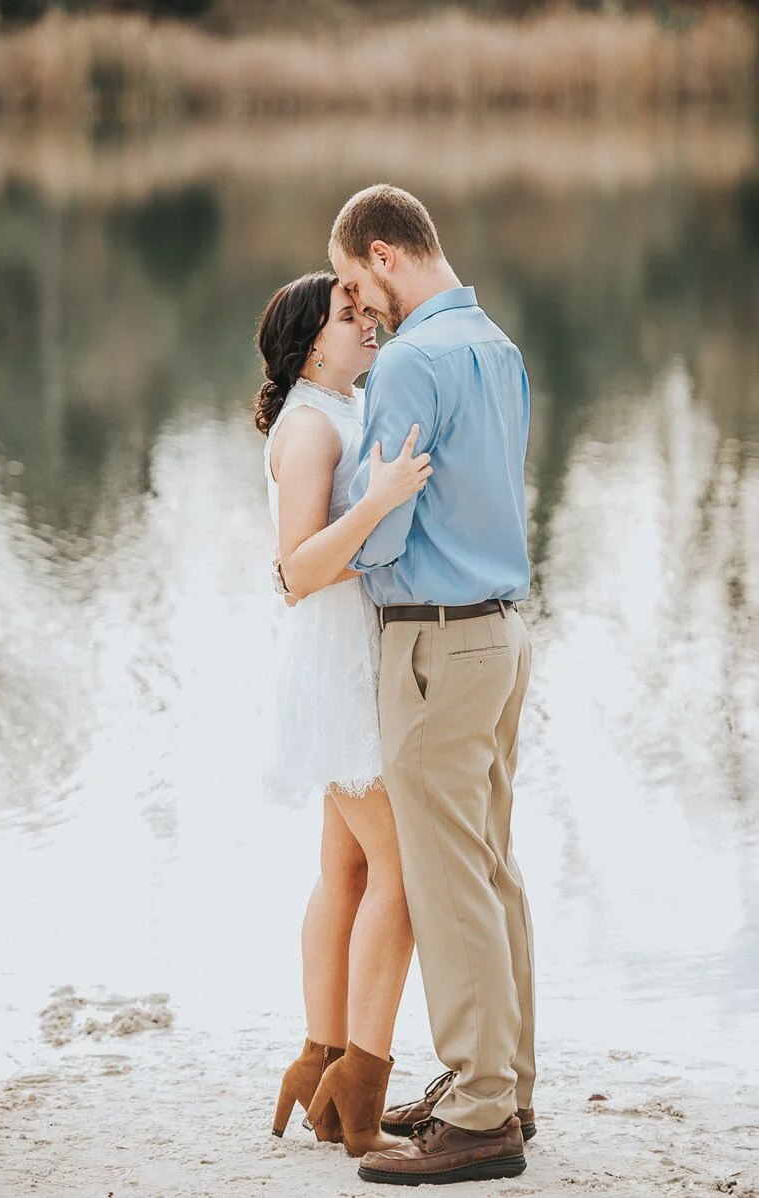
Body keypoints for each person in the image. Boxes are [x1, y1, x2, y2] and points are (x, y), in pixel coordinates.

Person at [319, 184, 536, 1186]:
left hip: (434, 647)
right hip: (503, 635)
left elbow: (388, 529)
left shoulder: (409, 360)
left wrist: (333, 550)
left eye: (361, 289)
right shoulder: (496, 345)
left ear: (384, 253)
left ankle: (481, 1114)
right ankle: (502, 1086)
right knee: (489, 868)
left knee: (449, 883)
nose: (362, 312)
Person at [254, 271, 432, 1157]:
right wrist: (384, 499)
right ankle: (361, 1084)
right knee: (400, 872)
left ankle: (318, 1058)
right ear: (311, 344)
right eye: (347, 315)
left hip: (350, 657)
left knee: (348, 870)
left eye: (367, 310)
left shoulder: (338, 409)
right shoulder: (314, 424)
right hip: (336, 667)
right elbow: (297, 572)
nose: (366, 324)